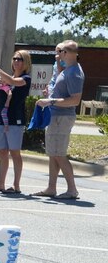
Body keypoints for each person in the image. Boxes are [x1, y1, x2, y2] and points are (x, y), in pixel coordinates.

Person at [34, 40, 84, 200]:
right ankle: (51, 188)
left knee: (59, 154)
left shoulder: (74, 72)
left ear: (66, 53)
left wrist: (51, 101)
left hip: (62, 117)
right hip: (55, 115)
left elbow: (75, 100)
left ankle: (72, 190)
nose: (58, 54)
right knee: (53, 153)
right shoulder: (67, 70)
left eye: (60, 51)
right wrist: (50, 95)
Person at [0, 49, 32, 194]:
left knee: (15, 153)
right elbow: (3, 89)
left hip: (15, 120)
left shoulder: (25, 79)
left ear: (26, 62)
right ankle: (1, 184)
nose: (17, 61)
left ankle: (16, 186)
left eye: (20, 59)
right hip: (1, 120)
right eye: (15, 58)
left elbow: (13, 82)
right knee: (2, 152)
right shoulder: (6, 79)